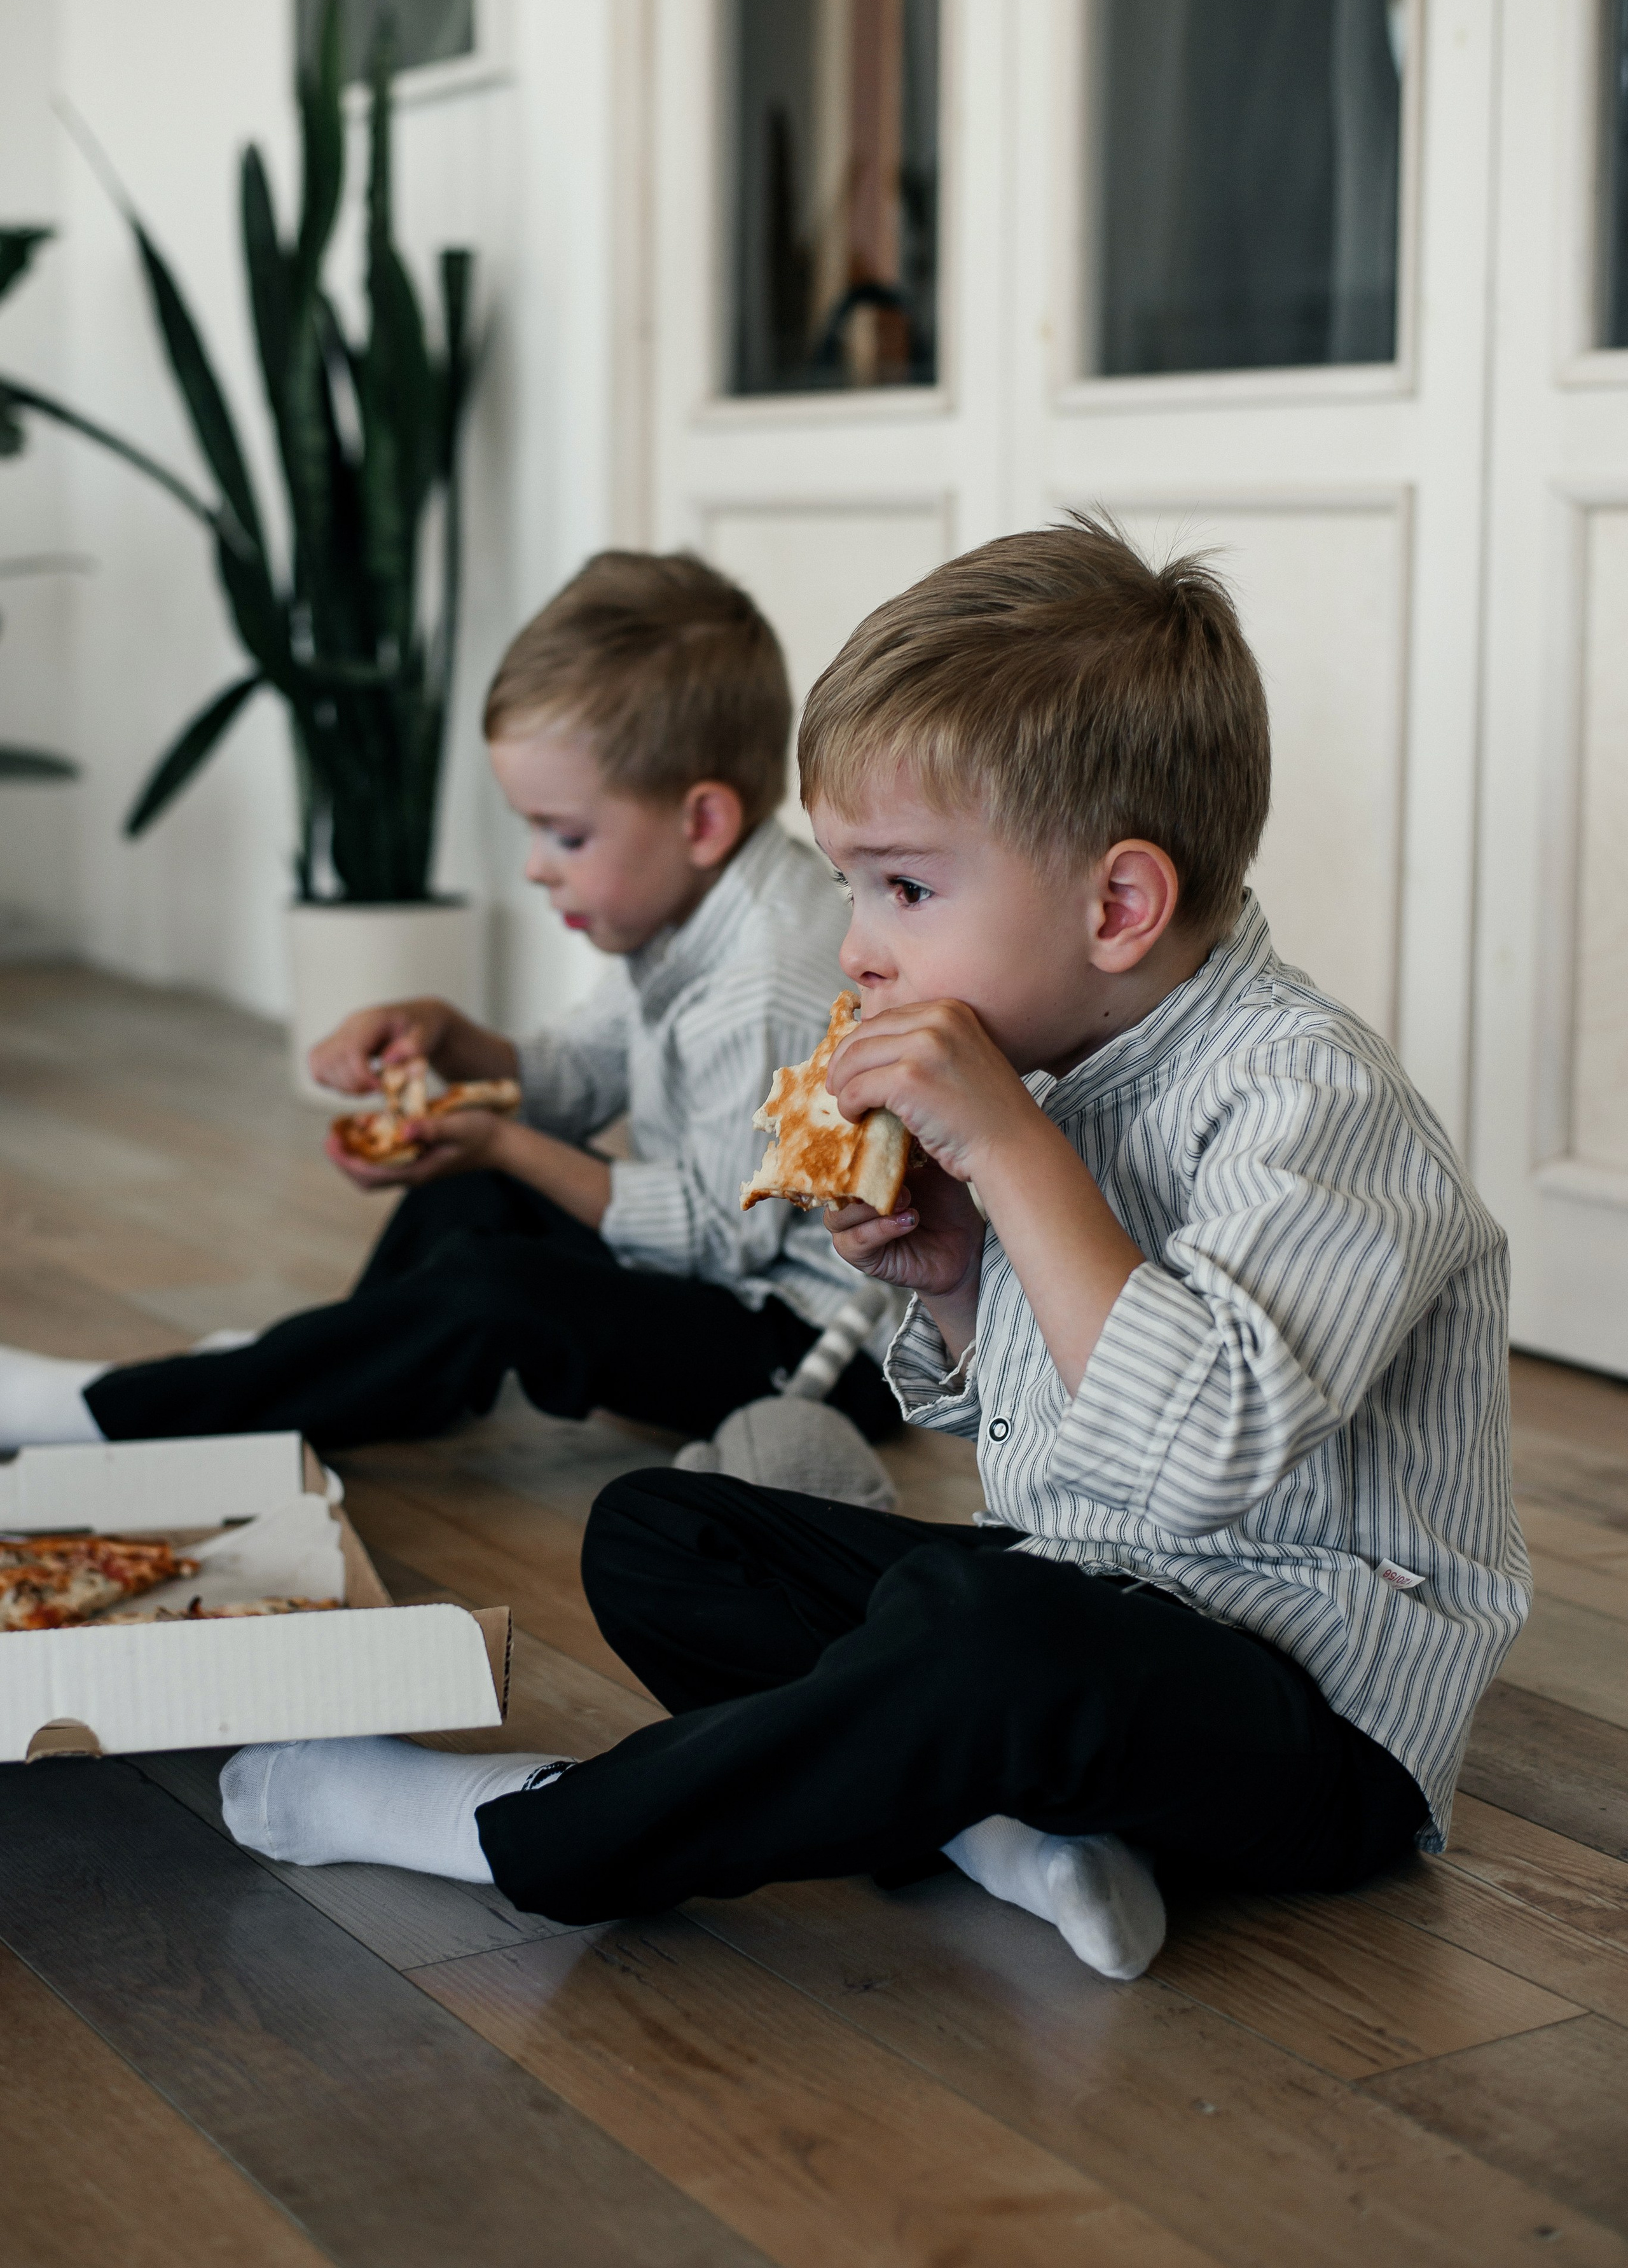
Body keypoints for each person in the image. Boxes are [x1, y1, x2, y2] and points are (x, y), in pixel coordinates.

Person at [217, 516, 1529, 1982]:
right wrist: (960, 1280)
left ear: (1114, 905)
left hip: (1314, 1717)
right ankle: (1004, 1830)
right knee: (662, 1534)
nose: (854, 948)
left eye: (902, 888)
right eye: (848, 886)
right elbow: (1041, 1448)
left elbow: (1199, 1453)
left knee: (992, 1629)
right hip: (1084, 1609)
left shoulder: (1313, 1103)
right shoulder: (1052, 1071)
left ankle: (524, 1825)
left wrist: (1014, 1161)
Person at [0, 550, 897, 1455]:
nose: (536, 866)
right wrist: (453, 1040)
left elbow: (715, 1242)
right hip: (722, 1281)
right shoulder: (686, 912)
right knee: (471, 1187)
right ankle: (306, 1378)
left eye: (567, 834)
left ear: (701, 822)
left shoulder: (764, 981)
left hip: (811, 1355)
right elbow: (581, 1076)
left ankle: (126, 1413)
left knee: (495, 1289)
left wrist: (506, 1139)